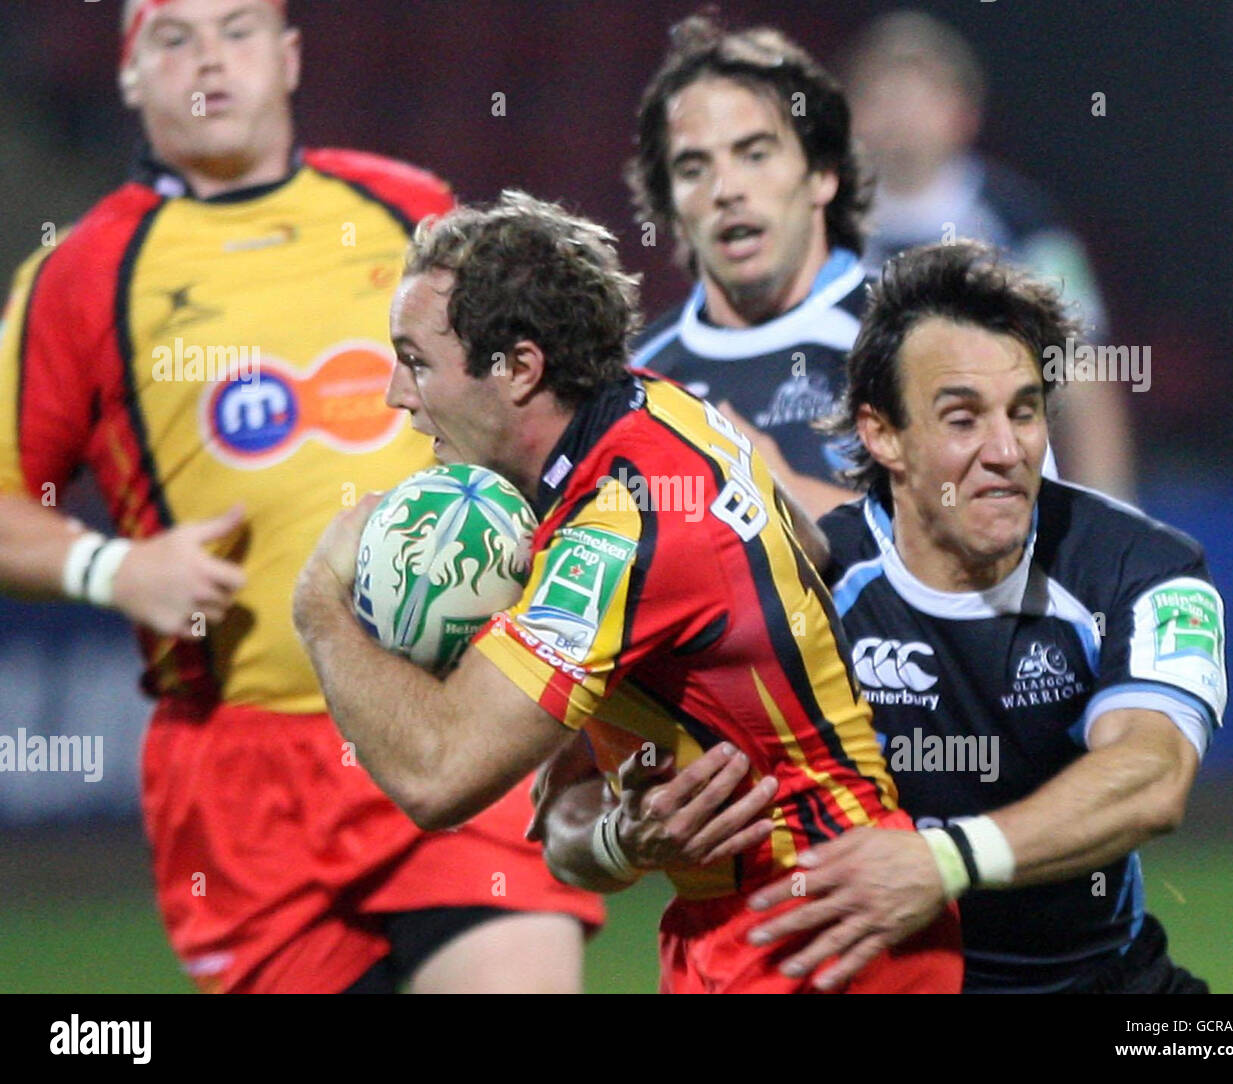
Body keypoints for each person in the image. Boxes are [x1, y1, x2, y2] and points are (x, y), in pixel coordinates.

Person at [0, 0, 600, 994]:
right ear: (129, 76)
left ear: (287, 57)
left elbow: (539, 403)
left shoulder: (410, 208)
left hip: (452, 703)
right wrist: (114, 566)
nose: (208, 59)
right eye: (173, 38)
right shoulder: (80, 273)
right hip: (239, 772)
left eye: (236, 30)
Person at [290, 190, 963, 994]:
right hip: (760, 923)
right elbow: (565, 822)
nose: (398, 395)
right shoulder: (654, 411)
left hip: (825, 928)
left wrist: (322, 610)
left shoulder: (617, 529)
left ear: (519, 369)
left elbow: (439, 776)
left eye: (417, 360)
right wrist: (624, 839)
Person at [744, 241, 1224, 993]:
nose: (1006, 449)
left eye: (1024, 412)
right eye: (963, 418)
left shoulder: (1142, 569)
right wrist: (617, 836)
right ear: (883, 435)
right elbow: (595, 819)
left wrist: (943, 862)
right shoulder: (807, 584)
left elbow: (1153, 776)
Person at [841, 9, 1136, 500]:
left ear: (964, 114)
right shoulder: (819, 221)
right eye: (884, 96)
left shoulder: (1024, 221)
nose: (902, 116)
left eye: (921, 97)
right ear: (852, 111)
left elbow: (1086, 372)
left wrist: (1113, 521)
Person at [626, 15, 872, 522]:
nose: (726, 190)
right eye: (693, 169)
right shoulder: (635, 380)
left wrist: (769, 489)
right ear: (669, 205)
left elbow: (965, 545)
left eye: (755, 154)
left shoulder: (909, 340)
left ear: (823, 175)